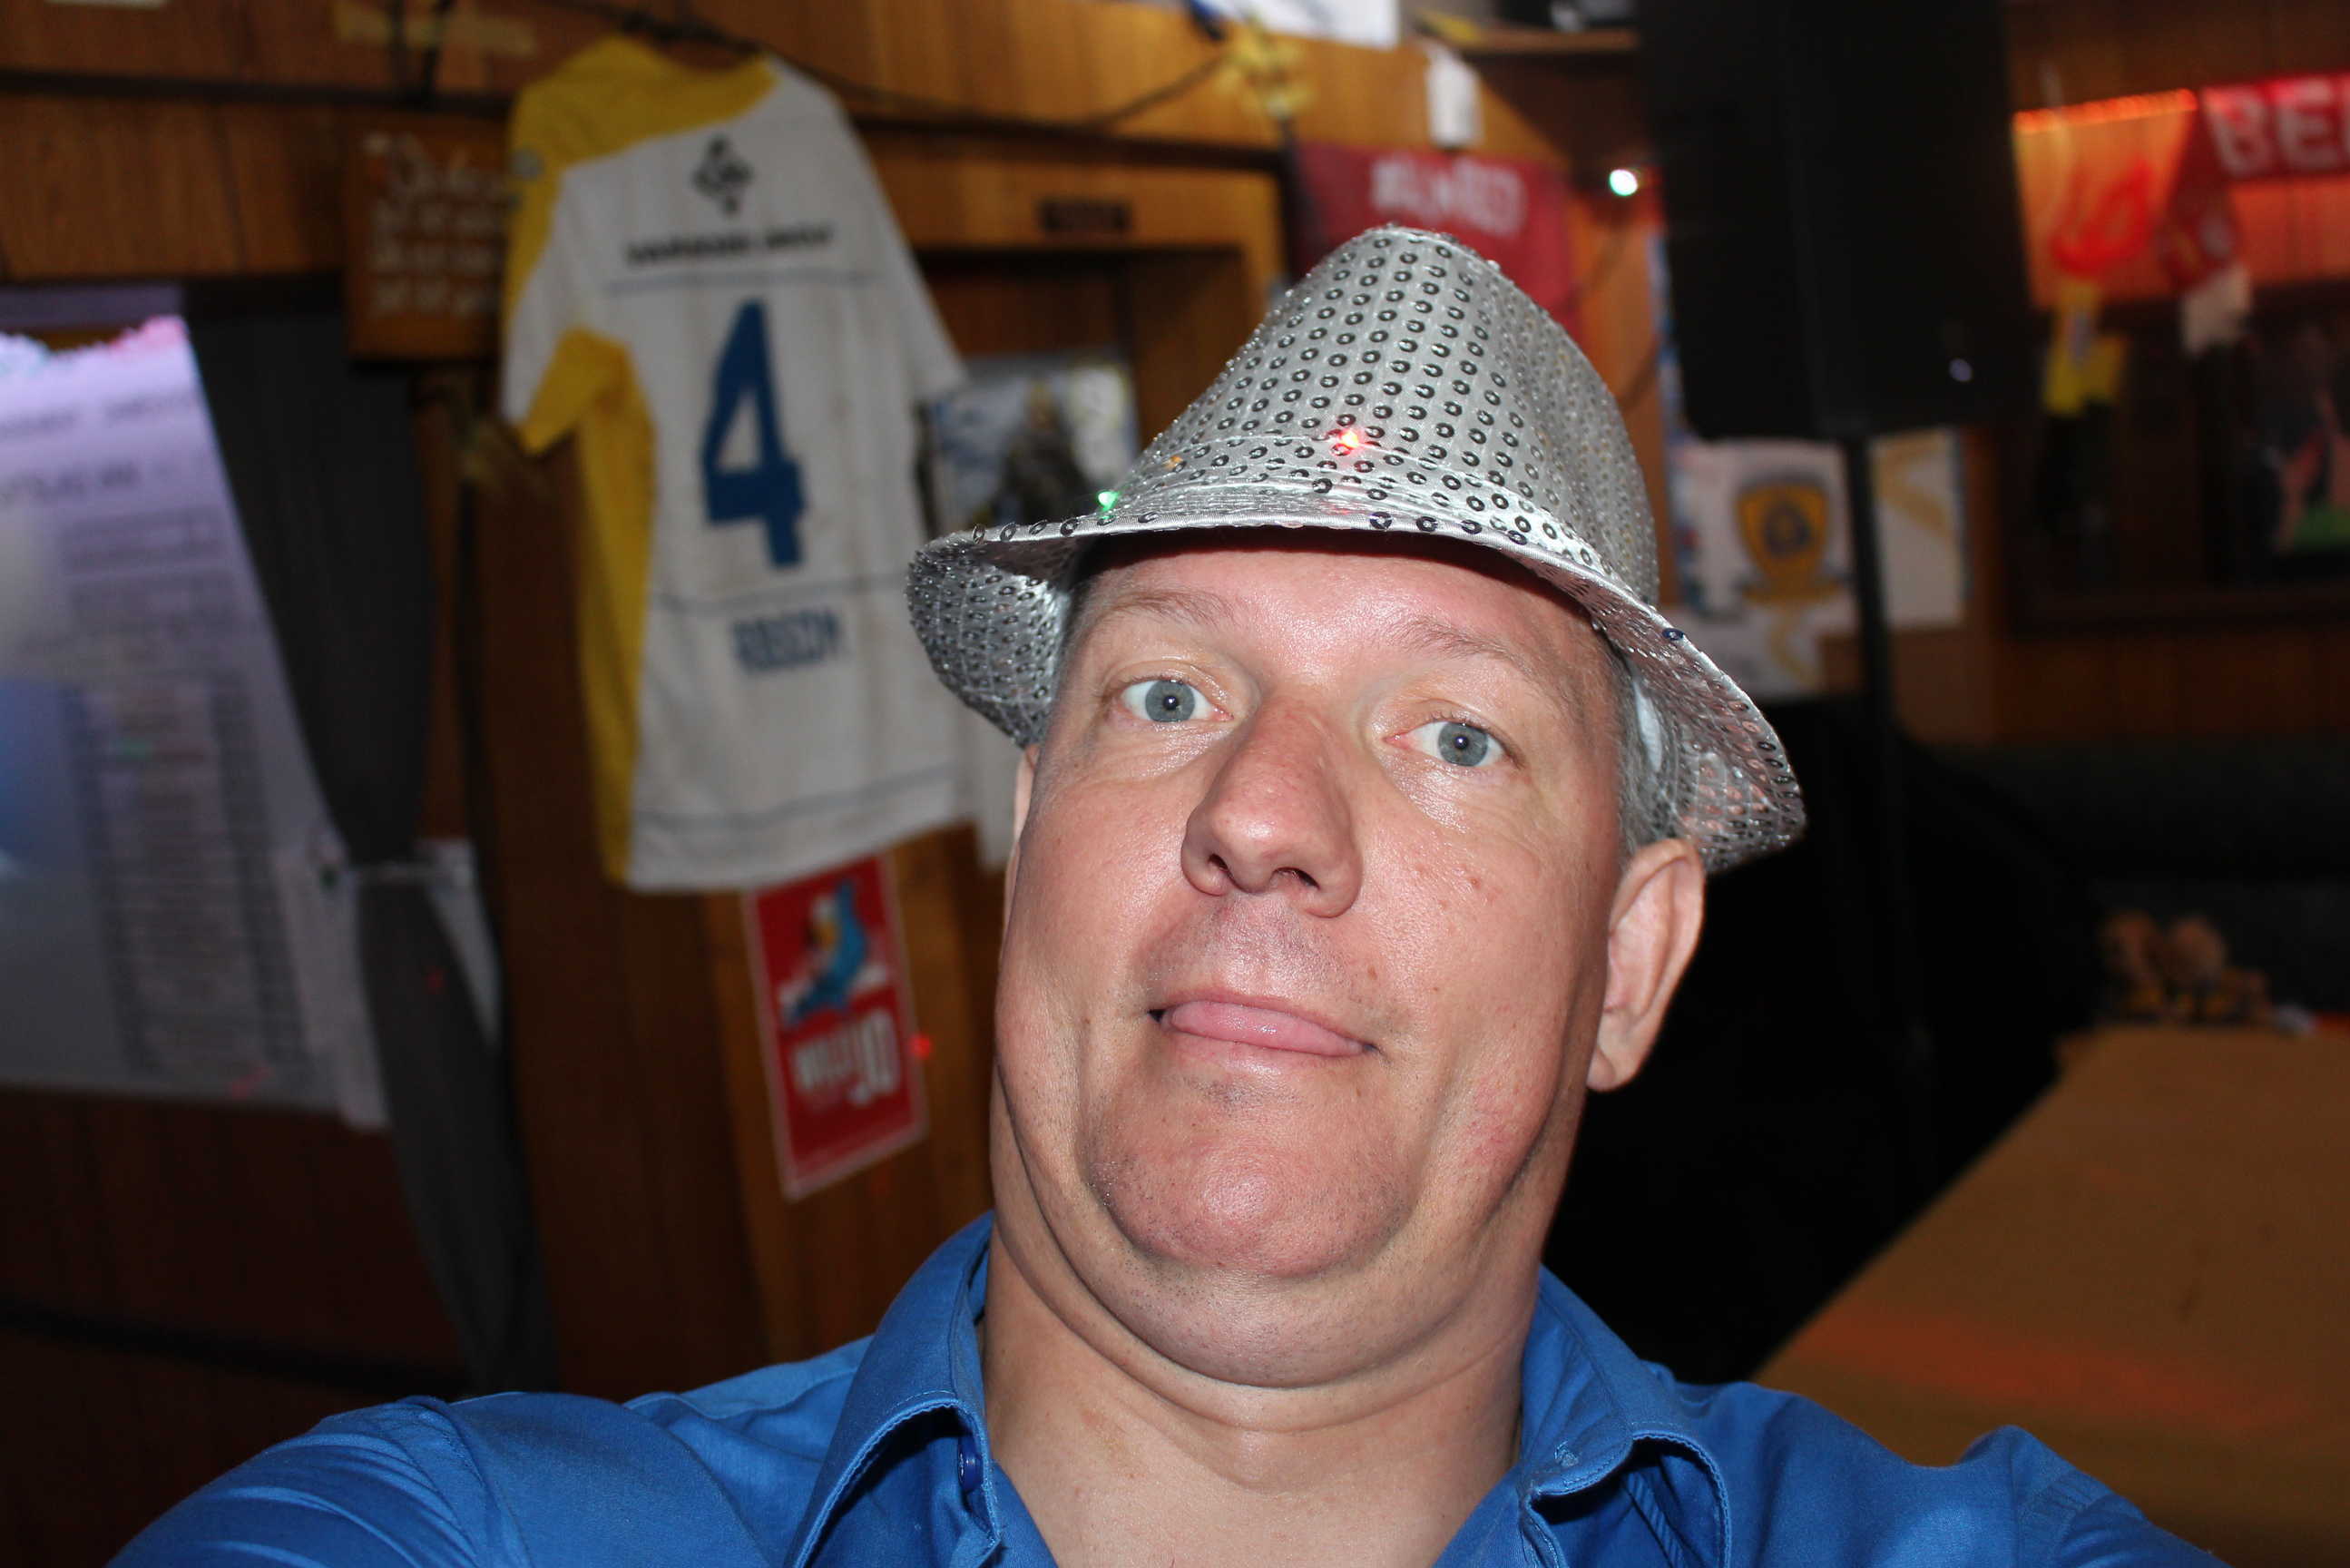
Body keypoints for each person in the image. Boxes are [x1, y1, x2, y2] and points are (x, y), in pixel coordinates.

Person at [116, 227, 2217, 1566]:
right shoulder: (461, 1534)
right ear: (1036, 828)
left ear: (1629, 962)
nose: (1263, 814)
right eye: (1171, 693)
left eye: (1456, 733)